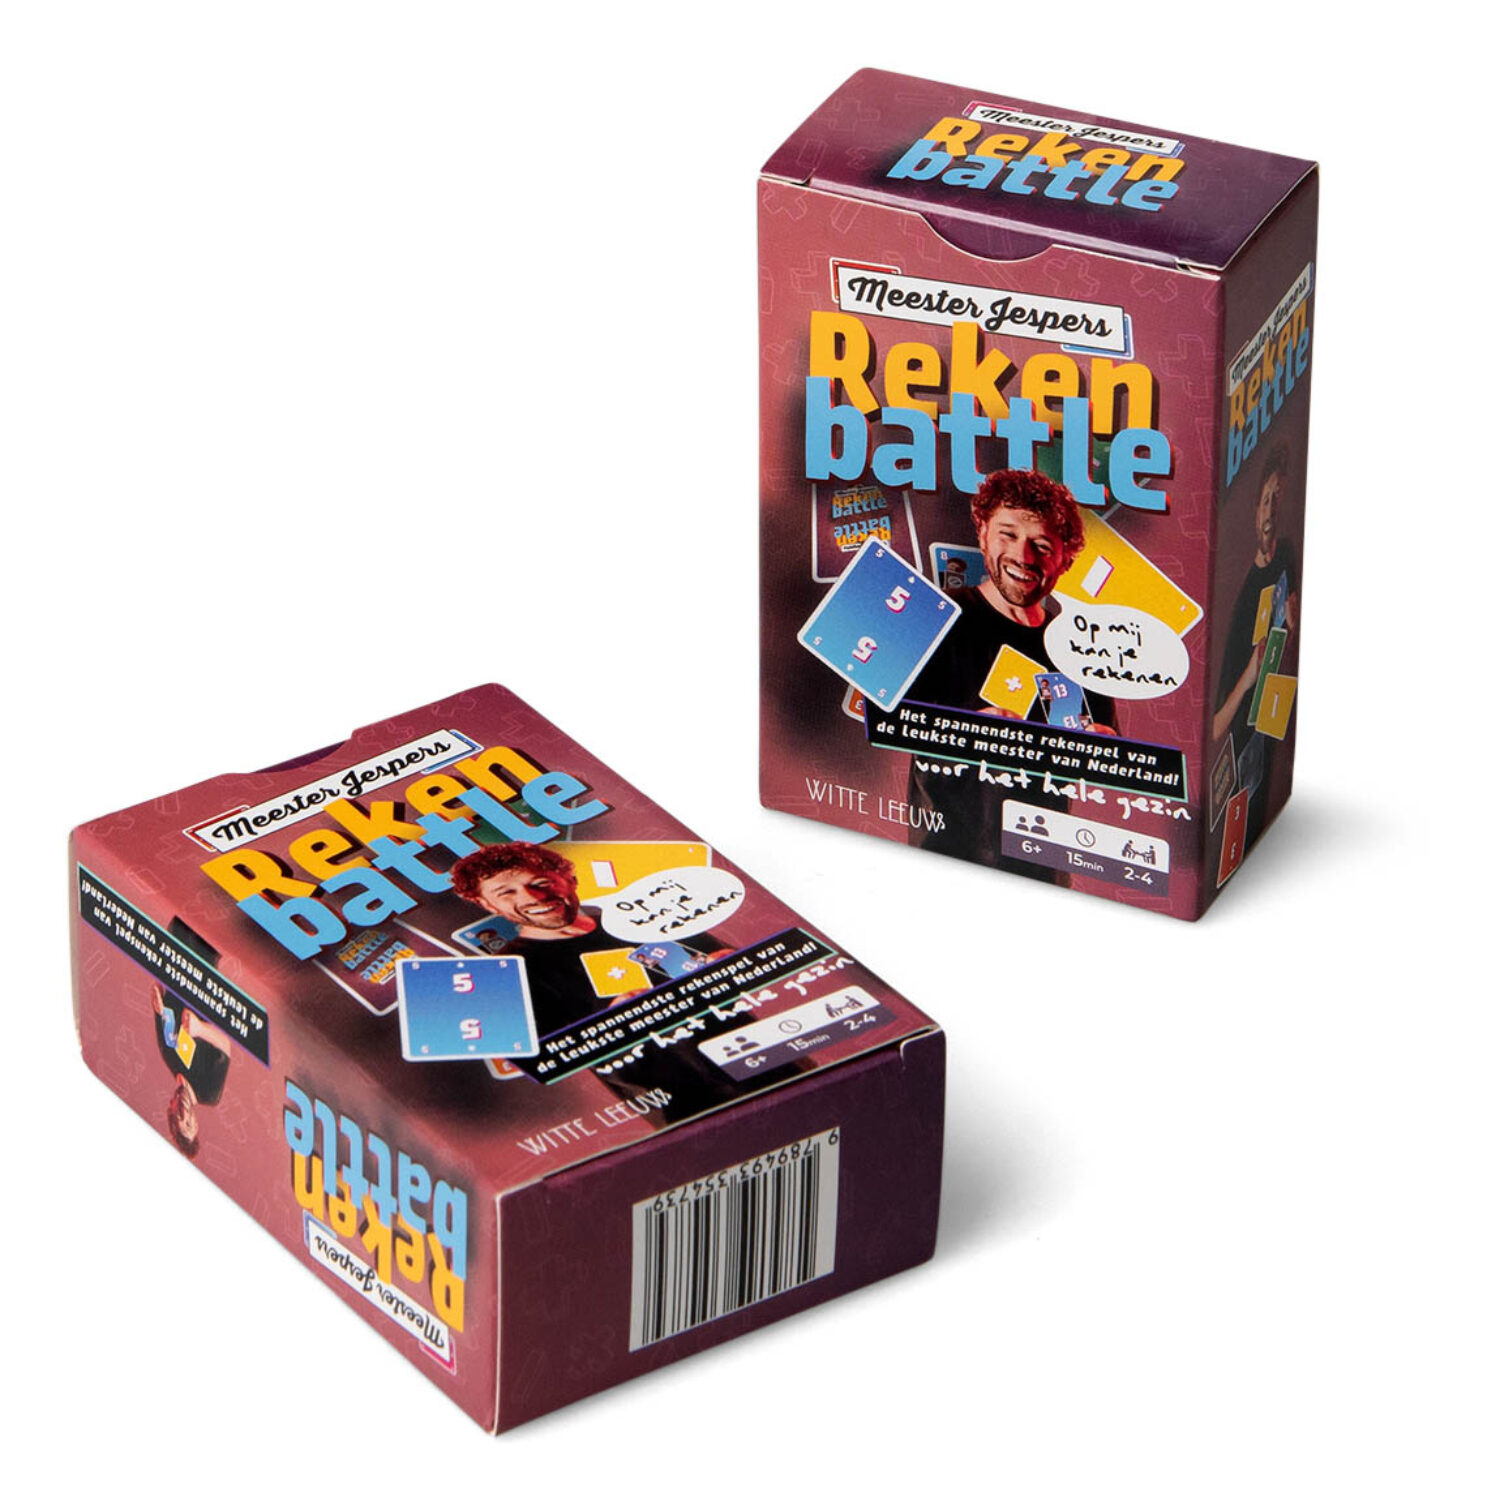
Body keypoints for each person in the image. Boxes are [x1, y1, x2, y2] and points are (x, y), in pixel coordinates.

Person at [903, 468, 1116, 877]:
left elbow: (1101, 754)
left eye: (1042, 545)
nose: (1024, 556)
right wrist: (966, 731)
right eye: (1008, 534)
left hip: (1043, 870)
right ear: (982, 533)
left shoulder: (1080, 646)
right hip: (943, 860)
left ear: (1066, 559)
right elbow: (887, 725)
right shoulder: (934, 618)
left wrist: (1101, 749)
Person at [448, 843, 753, 1122]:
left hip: (757, 1056)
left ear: (569, 878)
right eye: (506, 892)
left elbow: (724, 964)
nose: (533, 898)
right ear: (488, 905)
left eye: (540, 883)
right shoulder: (507, 973)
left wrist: (730, 963)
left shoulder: (637, 916)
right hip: (684, 1106)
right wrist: (612, 1024)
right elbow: (541, 1060)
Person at [1212, 442, 1300, 849]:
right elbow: (1214, 727)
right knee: (1238, 836)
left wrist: (1292, 627)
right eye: (1264, 502)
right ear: (1254, 511)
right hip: (1240, 755)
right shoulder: (1243, 597)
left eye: (1276, 498)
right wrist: (1247, 679)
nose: (1270, 512)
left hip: (1270, 735)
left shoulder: (1287, 556)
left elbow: (1283, 644)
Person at [152, 986, 235, 1159]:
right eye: (188, 1123)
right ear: (196, 1124)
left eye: (178, 1118)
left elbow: (160, 998)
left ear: (171, 1107)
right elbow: (225, 1046)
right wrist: (200, 1029)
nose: (183, 1114)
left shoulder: (168, 1056)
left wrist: (157, 1002)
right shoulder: (209, 1094)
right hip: (209, 988)